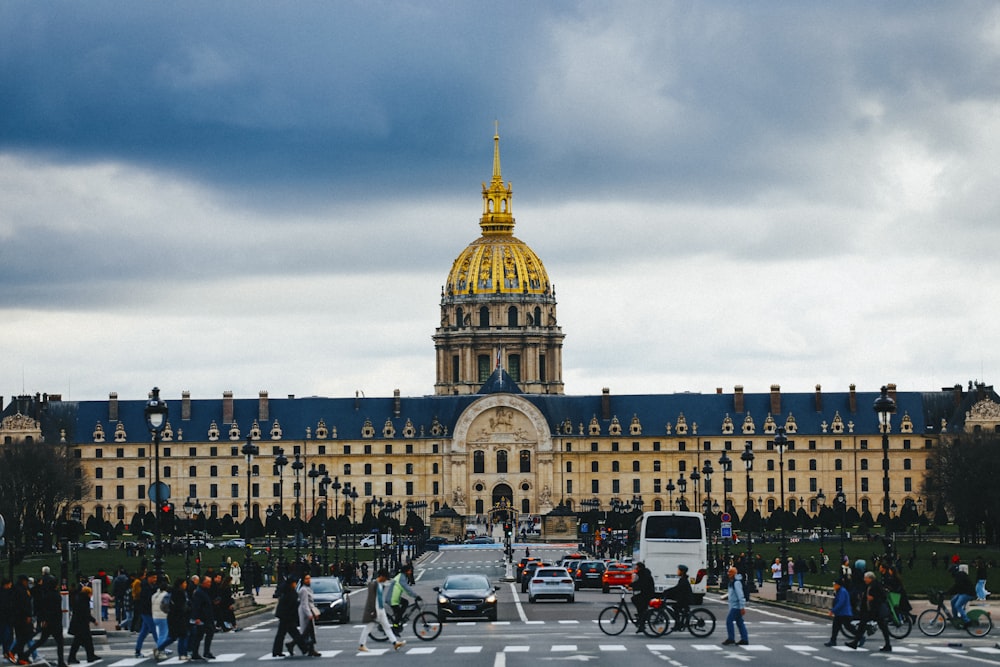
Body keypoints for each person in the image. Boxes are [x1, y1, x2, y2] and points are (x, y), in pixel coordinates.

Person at [358, 569, 405, 653]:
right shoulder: (373, 584)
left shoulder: (380, 584)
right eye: (386, 578)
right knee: (369, 627)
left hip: (380, 609)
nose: (386, 580)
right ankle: (362, 645)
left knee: (387, 626)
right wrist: (372, 611)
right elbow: (371, 599)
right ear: (382, 576)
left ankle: (395, 642)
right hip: (375, 610)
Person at [24, 576, 66, 667]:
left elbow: (44, 609)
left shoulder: (46, 595)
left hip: (48, 622)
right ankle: (61, 661)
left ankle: (27, 653)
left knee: (42, 640)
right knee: (60, 642)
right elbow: (57, 610)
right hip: (56, 622)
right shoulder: (56, 595)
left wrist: (44, 619)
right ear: (56, 585)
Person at [271, 578, 317, 657]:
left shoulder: (287, 591)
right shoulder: (292, 593)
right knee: (292, 634)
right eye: (294, 583)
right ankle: (305, 649)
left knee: (287, 634)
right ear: (292, 584)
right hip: (287, 617)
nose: (295, 584)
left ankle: (301, 648)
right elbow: (292, 606)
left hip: (284, 616)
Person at [846, 571, 891, 652]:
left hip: (876, 610)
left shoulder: (876, 585)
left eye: (865, 578)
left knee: (883, 627)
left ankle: (888, 644)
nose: (864, 579)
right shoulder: (869, 585)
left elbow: (883, 597)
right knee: (862, 625)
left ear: (870, 578)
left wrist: (874, 598)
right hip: (869, 610)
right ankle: (855, 642)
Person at [155, 578, 189, 661]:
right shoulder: (180, 593)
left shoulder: (171, 592)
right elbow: (182, 606)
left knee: (173, 637)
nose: (186, 585)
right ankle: (182, 654)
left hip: (171, 616)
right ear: (181, 584)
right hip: (179, 617)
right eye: (184, 583)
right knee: (183, 635)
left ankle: (159, 648)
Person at [67, 585, 100, 664]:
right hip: (81, 624)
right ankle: (89, 656)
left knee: (82, 641)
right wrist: (93, 620)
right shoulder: (84, 600)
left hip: (79, 624)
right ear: (88, 593)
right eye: (90, 593)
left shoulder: (80, 598)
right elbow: (85, 613)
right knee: (82, 641)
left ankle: (90, 655)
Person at [189, 575, 216, 661]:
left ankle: (198, 652)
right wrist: (196, 618)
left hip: (206, 617)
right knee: (201, 635)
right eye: (208, 582)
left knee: (202, 635)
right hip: (202, 617)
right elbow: (196, 606)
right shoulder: (199, 592)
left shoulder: (204, 591)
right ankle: (201, 652)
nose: (210, 584)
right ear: (203, 583)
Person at [9, 575, 33, 666]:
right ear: (23, 581)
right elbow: (24, 604)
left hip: (17, 618)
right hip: (22, 618)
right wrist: (28, 615)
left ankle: (21, 657)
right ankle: (14, 652)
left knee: (21, 637)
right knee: (24, 637)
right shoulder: (22, 591)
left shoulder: (16, 589)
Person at [721, 566, 749, 646]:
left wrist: (742, 607)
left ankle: (731, 638)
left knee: (729, 621)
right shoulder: (732, 582)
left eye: (730, 572)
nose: (728, 573)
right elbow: (732, 594)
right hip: (734, 605)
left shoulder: (736, 583)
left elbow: (740, 595)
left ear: (734, 574)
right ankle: (744, 639)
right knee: (740, 622)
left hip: (736, 606)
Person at [134, 572, 159, 658]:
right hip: (147, 611)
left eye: (155, 577)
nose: (155, 579)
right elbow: (147, 600)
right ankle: (161, 647)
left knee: (143, 632)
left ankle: (138, 650)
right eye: (153, 577)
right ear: (148, 578)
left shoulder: (148, 586)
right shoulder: (145, 588)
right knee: (154, 630)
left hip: (147, 611)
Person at [825, 577, 853, 647]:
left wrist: (833, 610)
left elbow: (841, 602)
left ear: (839, 585)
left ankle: (860, 636)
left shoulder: (842, 591)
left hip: (844, 613)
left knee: (848, 627)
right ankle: (833, 640)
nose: (834, 586)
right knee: (836, 627)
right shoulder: (839, 591)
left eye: (835, 584)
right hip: (840, 613)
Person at [629, 562, 656, 634]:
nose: (636, 569)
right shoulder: (644, 572)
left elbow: (640, 583)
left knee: (636, 600)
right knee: (637, 602)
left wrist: (631, 586)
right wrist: (631, 585)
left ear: (640, 568)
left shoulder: (643, 573)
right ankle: (641, 623)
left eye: (637, 568)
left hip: (648, 594)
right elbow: (639, 583)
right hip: (646, 592)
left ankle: (642, 619)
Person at [296, 575, 321, 652]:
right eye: (306, 579)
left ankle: (310, 649)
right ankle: (310, 649)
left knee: (309, 632)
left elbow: (310, 603)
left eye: (309, 579)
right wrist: (309, 614)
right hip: (305, 612)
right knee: (307, 632)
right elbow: (304, 603)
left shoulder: (308, 589)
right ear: (303, 580)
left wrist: (314, 612)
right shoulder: (303, 590)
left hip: (310, 611)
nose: (308, 580)